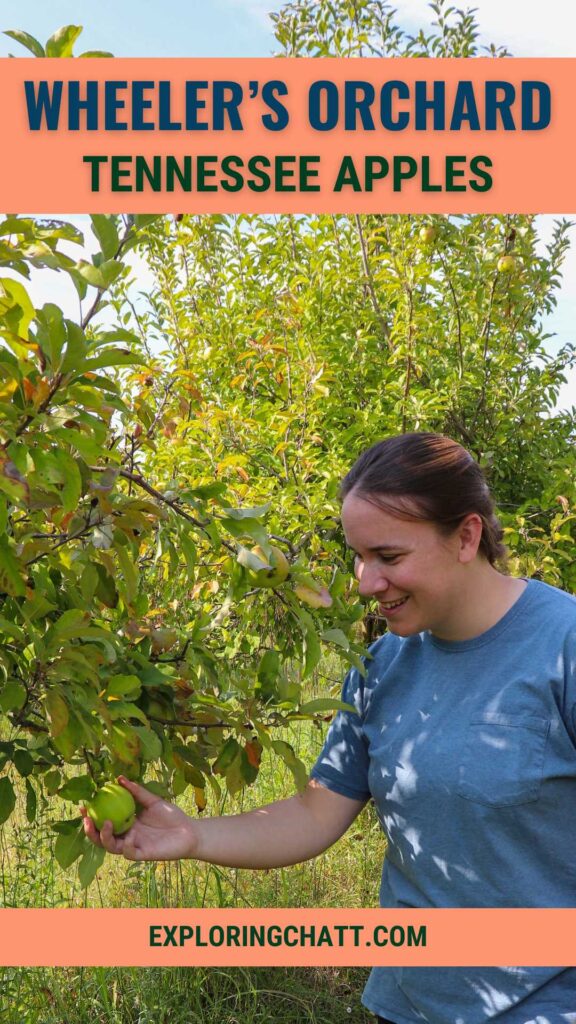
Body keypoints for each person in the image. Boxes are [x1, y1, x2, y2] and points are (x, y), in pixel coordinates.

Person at [83, 432, 576, 1024]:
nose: (366, 583)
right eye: (359, 557)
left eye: (389, 557)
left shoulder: (561, 647)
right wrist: (194, 836)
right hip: (407, 1005)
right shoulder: (383, 666)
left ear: (466, 536)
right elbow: (317, 812)